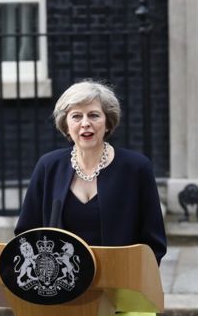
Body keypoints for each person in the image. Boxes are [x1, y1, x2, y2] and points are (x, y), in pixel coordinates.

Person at [14, 80, 167, 266]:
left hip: (119, 284)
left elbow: (154, 241)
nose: (85, 123)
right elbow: (26, 232)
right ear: (66, 126)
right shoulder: (48, 166)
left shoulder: (136, 168)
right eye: (76, 116)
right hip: (63, 286)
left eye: (94, 115)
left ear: (108, 123)